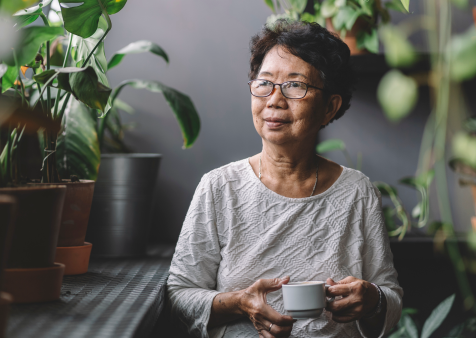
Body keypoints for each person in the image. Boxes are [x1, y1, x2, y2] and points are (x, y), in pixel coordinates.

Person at [167, 19, 402, 338]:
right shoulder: (219, 187)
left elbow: (388, 298)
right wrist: (240, 303)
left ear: (329, 108)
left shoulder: (357, 191)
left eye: (295, 85)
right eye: (264, 83)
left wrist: (373, 300)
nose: (274, 100)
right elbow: (179, 294)